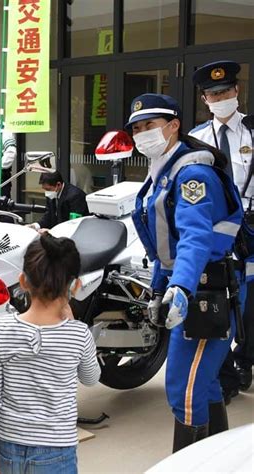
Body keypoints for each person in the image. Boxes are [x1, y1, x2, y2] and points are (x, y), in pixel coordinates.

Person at [129, 93, 244, 452]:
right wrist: (158, 286)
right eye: (136, 128)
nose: (141, 134)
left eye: (149, 125)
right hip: (198, 286)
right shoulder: (166, 170)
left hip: (205, 291)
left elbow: (195, 238)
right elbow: (168, 245)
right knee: (205, 384)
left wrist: (180, 286)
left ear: (174, 125)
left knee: (184, 390)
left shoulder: (192, 174)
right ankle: (216, 460)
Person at [0, 232, 100, 474]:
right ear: (75, 285)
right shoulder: (78, 334)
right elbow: (91, 378)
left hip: (9, 443)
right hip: (56, 448)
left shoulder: (2, 328)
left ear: (22, 281)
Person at [190, 60, 254, 403]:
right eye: (213, 94)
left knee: (251, 303)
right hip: (216, 231)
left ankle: (246, 359)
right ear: (205, 99)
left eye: (225, 91)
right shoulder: (196, 139)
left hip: (253, 229)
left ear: (237, 91)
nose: (220, 98)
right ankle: (226, 374)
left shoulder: (253, 131)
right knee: (216, 300)